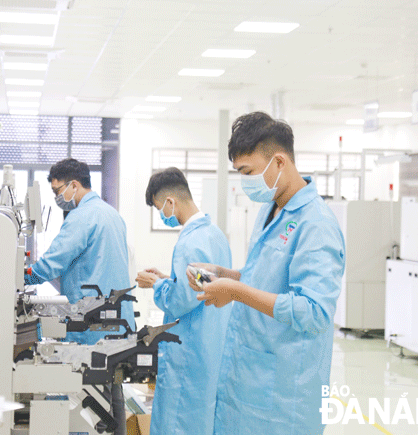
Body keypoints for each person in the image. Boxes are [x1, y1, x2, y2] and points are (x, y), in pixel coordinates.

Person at [187, 112, 345, 435]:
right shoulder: (270, 209)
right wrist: (224, 274)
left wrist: (235, 292)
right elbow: (262, 276)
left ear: (279, 162)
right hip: (247, 384)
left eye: (248, 172)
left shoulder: (316, 224)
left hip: (284, 400)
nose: (245, 183)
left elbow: (314, 311)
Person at [25, 158, 134, 435]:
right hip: (117, 322)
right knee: (113, 392)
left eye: (58, 190)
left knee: (88, 404)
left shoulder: (81, 217)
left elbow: (52, 263)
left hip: (93, 326)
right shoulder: (111, 214)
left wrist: (22, 277)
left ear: (74, 185)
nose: (58, 197)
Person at [135, 167, 232, 435]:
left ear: (170, 202)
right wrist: (170, 278)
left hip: (190, 351)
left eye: (159, 208)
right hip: (211, 348)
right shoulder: (215, 235)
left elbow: (180, 302)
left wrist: (156, 284)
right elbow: (203, 284)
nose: (162, 215)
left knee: (179, 424)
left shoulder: (190, 242)